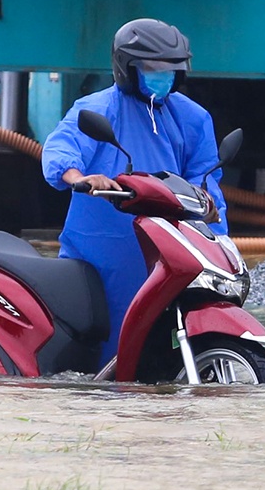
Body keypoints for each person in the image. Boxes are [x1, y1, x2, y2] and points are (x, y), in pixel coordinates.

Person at [41, 18, 230, 364]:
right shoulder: (98, 109)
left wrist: (214, 229)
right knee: (93, 351)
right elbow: (60, 149)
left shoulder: (193, 118)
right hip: (101, 256)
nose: (164, 75)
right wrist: (80, 178)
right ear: (128, 68)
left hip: (169, 252)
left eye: (171, 68)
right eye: (154, 67)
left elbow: (205, 180)